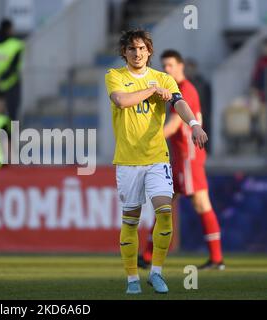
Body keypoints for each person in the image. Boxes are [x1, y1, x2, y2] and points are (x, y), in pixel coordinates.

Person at [105, 29, 208, 294]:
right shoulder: (115, 76)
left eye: (141, 48)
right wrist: (151, 91)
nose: (137, 53)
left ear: (149, 51)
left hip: (156, 158)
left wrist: (194, 124)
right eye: (131, 49)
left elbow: (179, 102)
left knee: (164, 213)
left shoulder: (163, 78)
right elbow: (122, 100)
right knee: (131, 220)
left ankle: (157, 273)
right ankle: (131, 280)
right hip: (128, 161)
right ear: (124, 52)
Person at [139, 50, 224, 271]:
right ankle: (148, 256)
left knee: (197, 203)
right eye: (164, 66)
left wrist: (150, 140)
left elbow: (176, 124)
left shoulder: (185, 90)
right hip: (180, 157)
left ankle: (216, 258)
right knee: (165, 203)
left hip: (189, 157)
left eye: (170, 65)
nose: (166, 70)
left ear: (180, 66)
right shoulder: (176, 90)